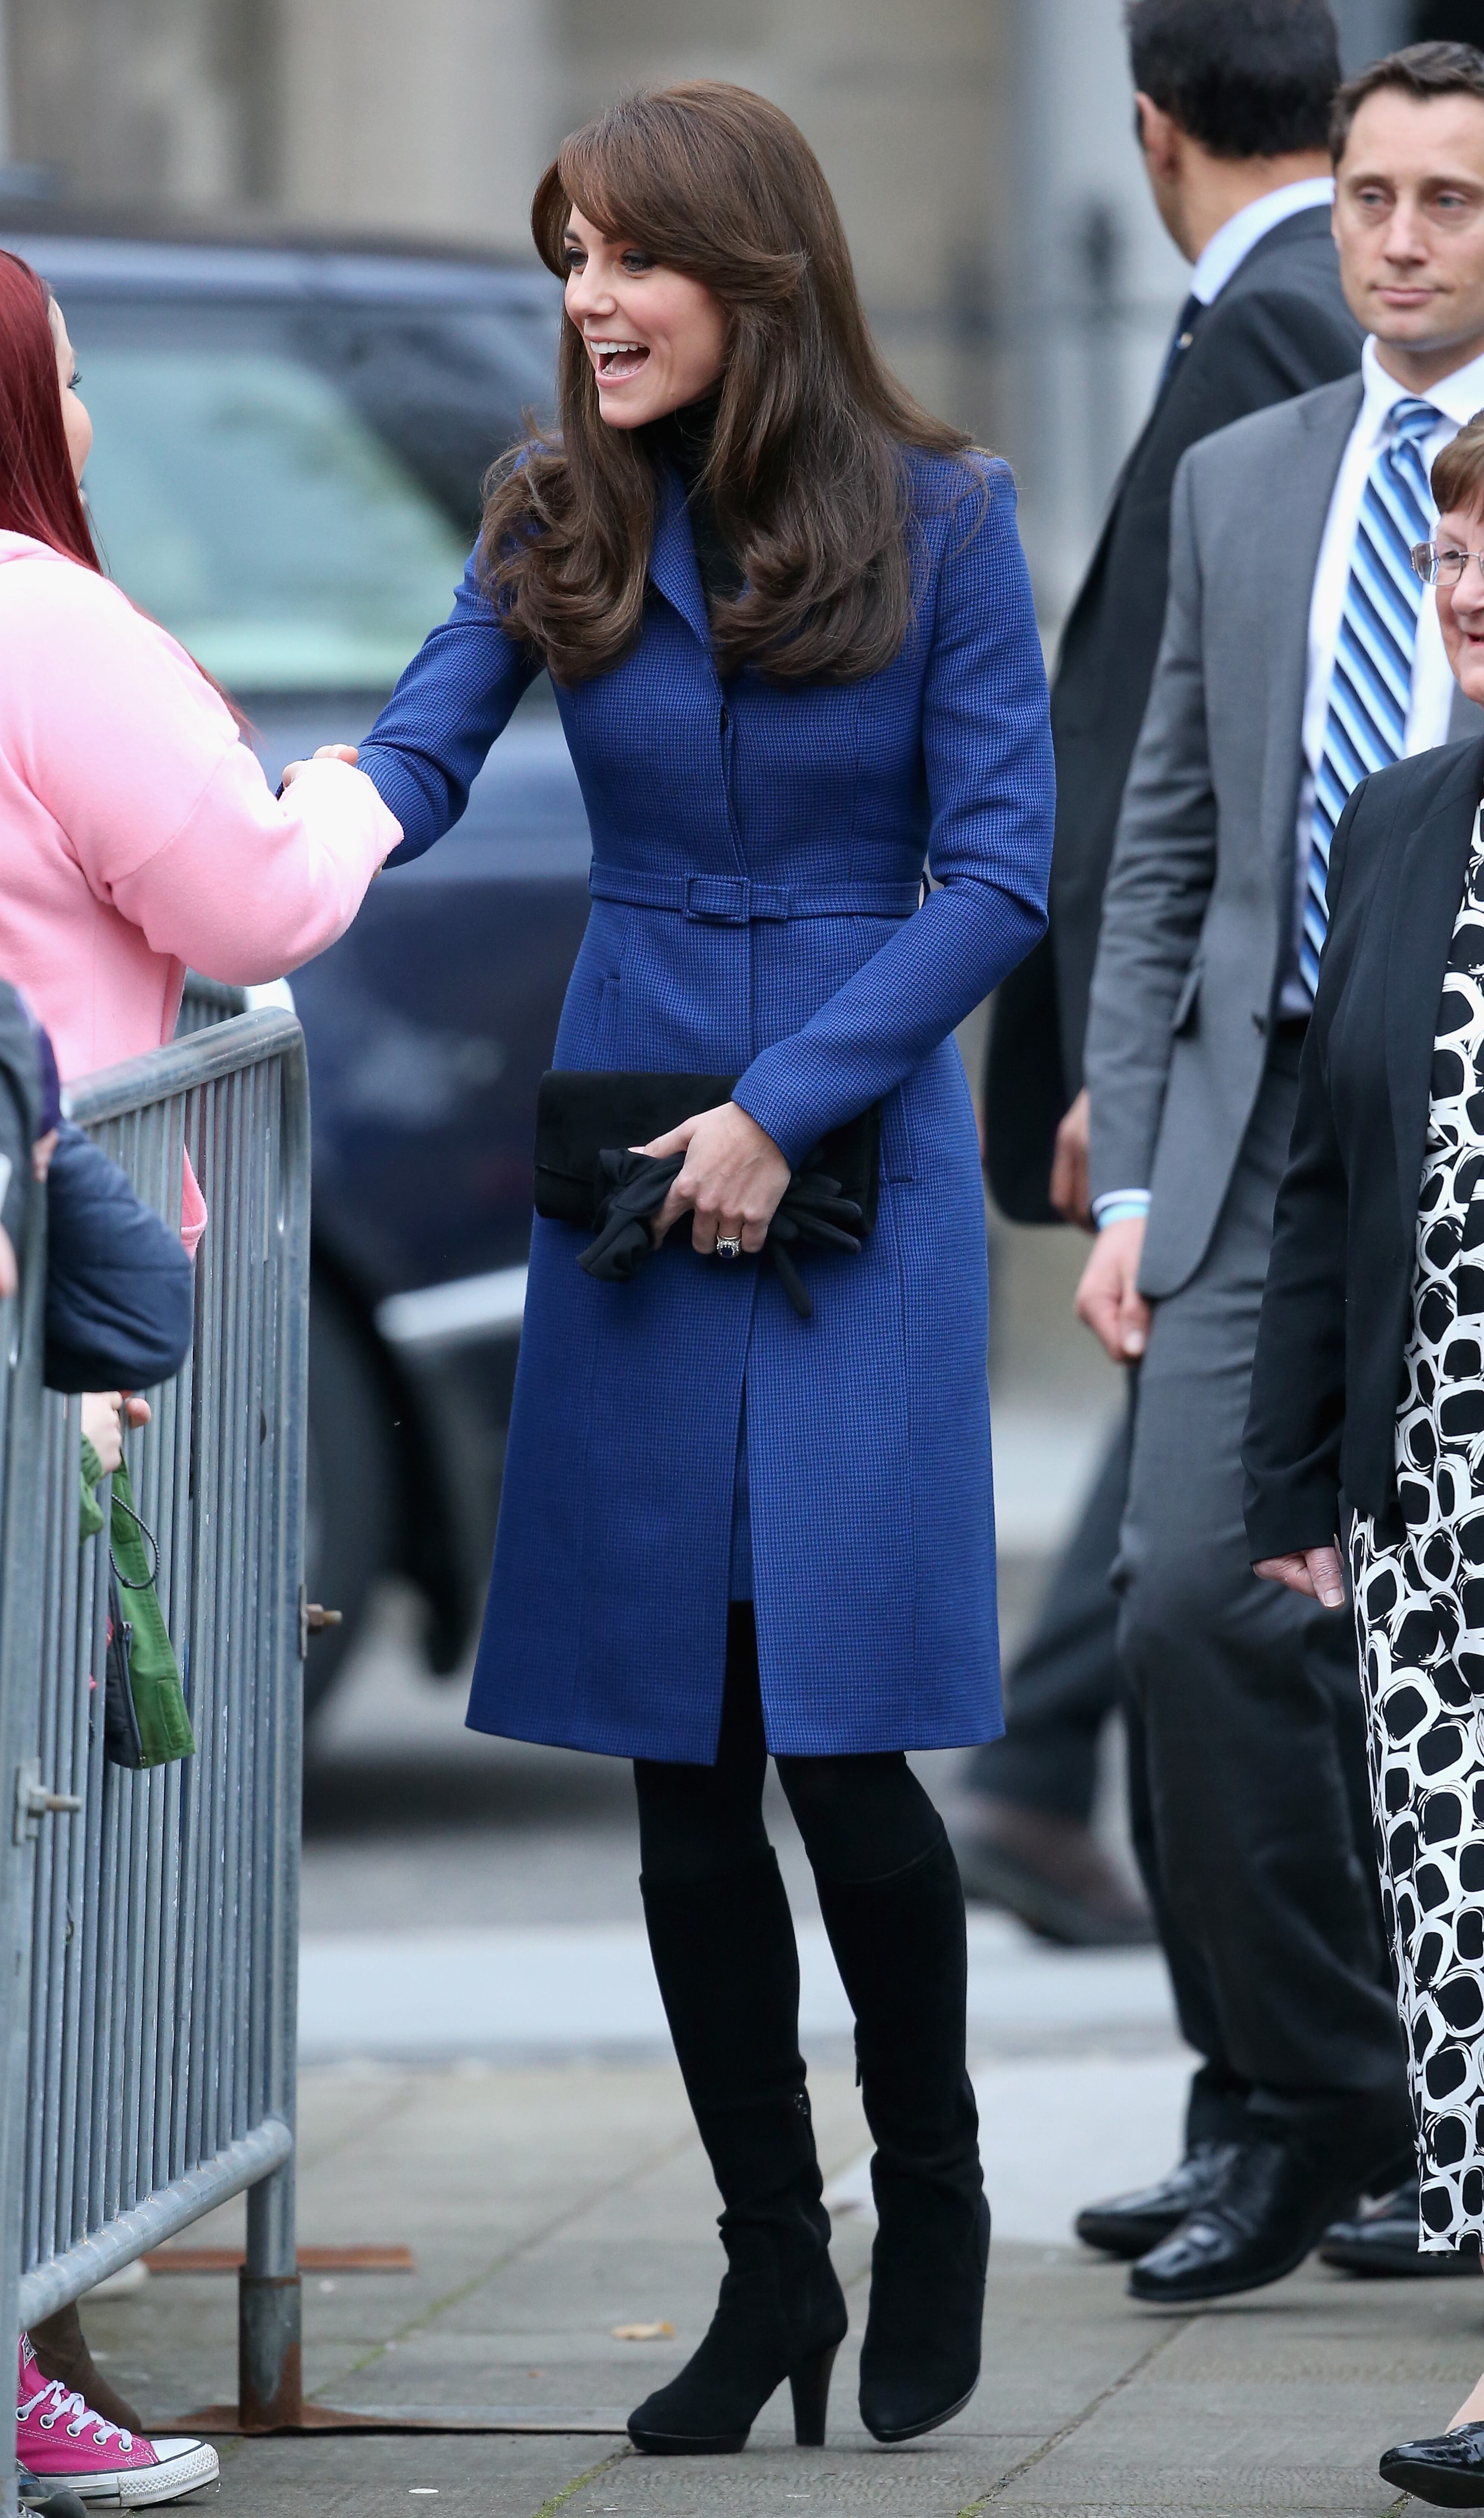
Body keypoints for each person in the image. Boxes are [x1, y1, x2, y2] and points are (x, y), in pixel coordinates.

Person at [315, 81, 1052, 2456]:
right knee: (677, 1761)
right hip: (635, 1148)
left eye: (628, 255)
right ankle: (770, 2271)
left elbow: (999, 872)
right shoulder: (557, 508)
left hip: (847, 1166)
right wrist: (224, 863)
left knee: (846, 1745)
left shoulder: (951, 517)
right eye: (566, 254)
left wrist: (786, 1106)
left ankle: (931, 2195)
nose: (586, 300)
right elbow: (413, 760)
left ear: (754, 273)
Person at [1076, 36, 1484, 2307]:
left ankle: (1434, 2119)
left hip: (1473, 1114)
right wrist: (1133, 1169)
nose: (1400, 239)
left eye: (1448, 200)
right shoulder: (1249, 475)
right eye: (1369, 197)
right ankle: (1325, 2101)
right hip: (1254, 1128)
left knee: (1446, 1646)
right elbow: (1166, 845)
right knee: (1189, 1606)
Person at [967, 0, 1364, 1955]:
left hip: (1254, 1032)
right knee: (1200, 1446)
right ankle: (1051, 1783)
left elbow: (1194, 737)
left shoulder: (1294, 310)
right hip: (1200, 1035)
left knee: (1224, 1484)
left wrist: (1130, 1061)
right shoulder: (1277, 298)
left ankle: (1291, 2043)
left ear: (1149, 126)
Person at [0, 241, 397, 1250]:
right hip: (31, 1256)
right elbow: (259, 909)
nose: (83, 417)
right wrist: (344, 801)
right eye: (63, 381)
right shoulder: (48, 625)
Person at [1243, 413, 1484, 2505]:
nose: (1472, 588)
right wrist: (1292, 1478)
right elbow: (1328, 1179)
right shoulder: (1403, 819)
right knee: (1464, 1924)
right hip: (1434, 1496)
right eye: (1452, 556)